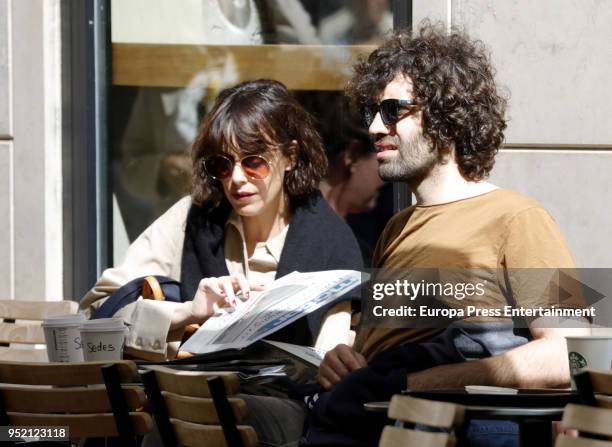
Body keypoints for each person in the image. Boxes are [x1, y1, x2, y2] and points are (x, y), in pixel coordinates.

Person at [296, 23, 590, 446]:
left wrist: (419, 383)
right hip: (371, 423)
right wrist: (341, 360)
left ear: (446, 116)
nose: (376, 128)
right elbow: (372, 352)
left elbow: (569, 353)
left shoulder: (517, 217)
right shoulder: (397, 227)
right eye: (372, 114)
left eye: (394, 111)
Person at [80, 79, 363, 361]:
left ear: (290, 156)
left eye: (254, 162)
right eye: (222, 165)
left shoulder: (329, 241)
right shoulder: (194, 217)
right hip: (187, 399)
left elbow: (329, 360)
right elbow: (96, 314)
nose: (237, 178)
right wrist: (186, 312)